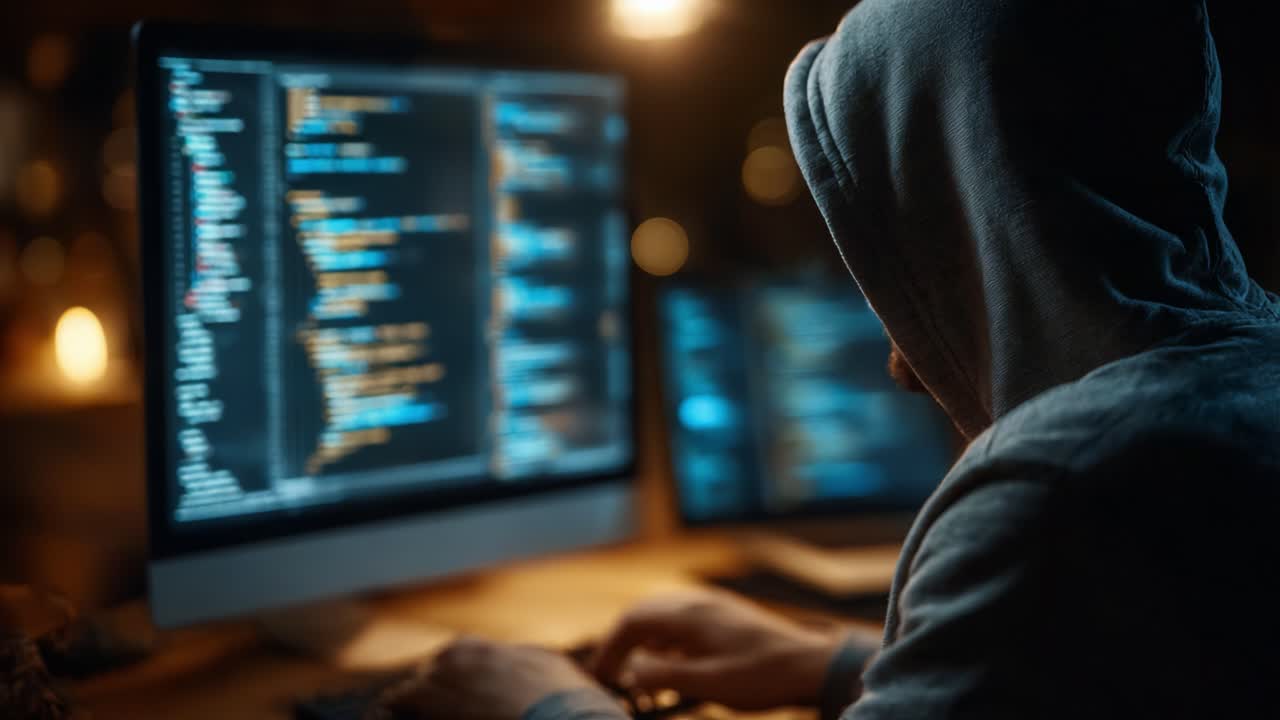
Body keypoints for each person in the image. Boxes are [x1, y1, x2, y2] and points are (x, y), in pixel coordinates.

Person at [383, 0, 1280, 717]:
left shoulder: (1065, 491)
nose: (889, 334)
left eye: (888, 245)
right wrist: (845, 665)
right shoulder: (1243, 392)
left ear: (973, 216)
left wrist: (545, 705)